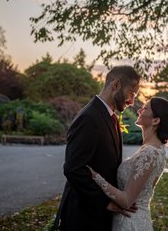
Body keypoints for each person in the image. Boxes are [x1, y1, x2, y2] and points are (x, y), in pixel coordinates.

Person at [54, 66, 141, 231]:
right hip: (82, 217)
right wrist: (106, 203)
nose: (132, 101)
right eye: (131, 93)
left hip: (97, 218)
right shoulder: (89, 118)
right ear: (115, 85)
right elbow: (74, 169)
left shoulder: (110, 116)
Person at [87, 97, 168, 231]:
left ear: (156, 120)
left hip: (130, 223)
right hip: (130, 218)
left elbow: (126, 201)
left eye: (145, 108)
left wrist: (95, 176)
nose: (139, 110)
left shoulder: (150, 153)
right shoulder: (155, 149)